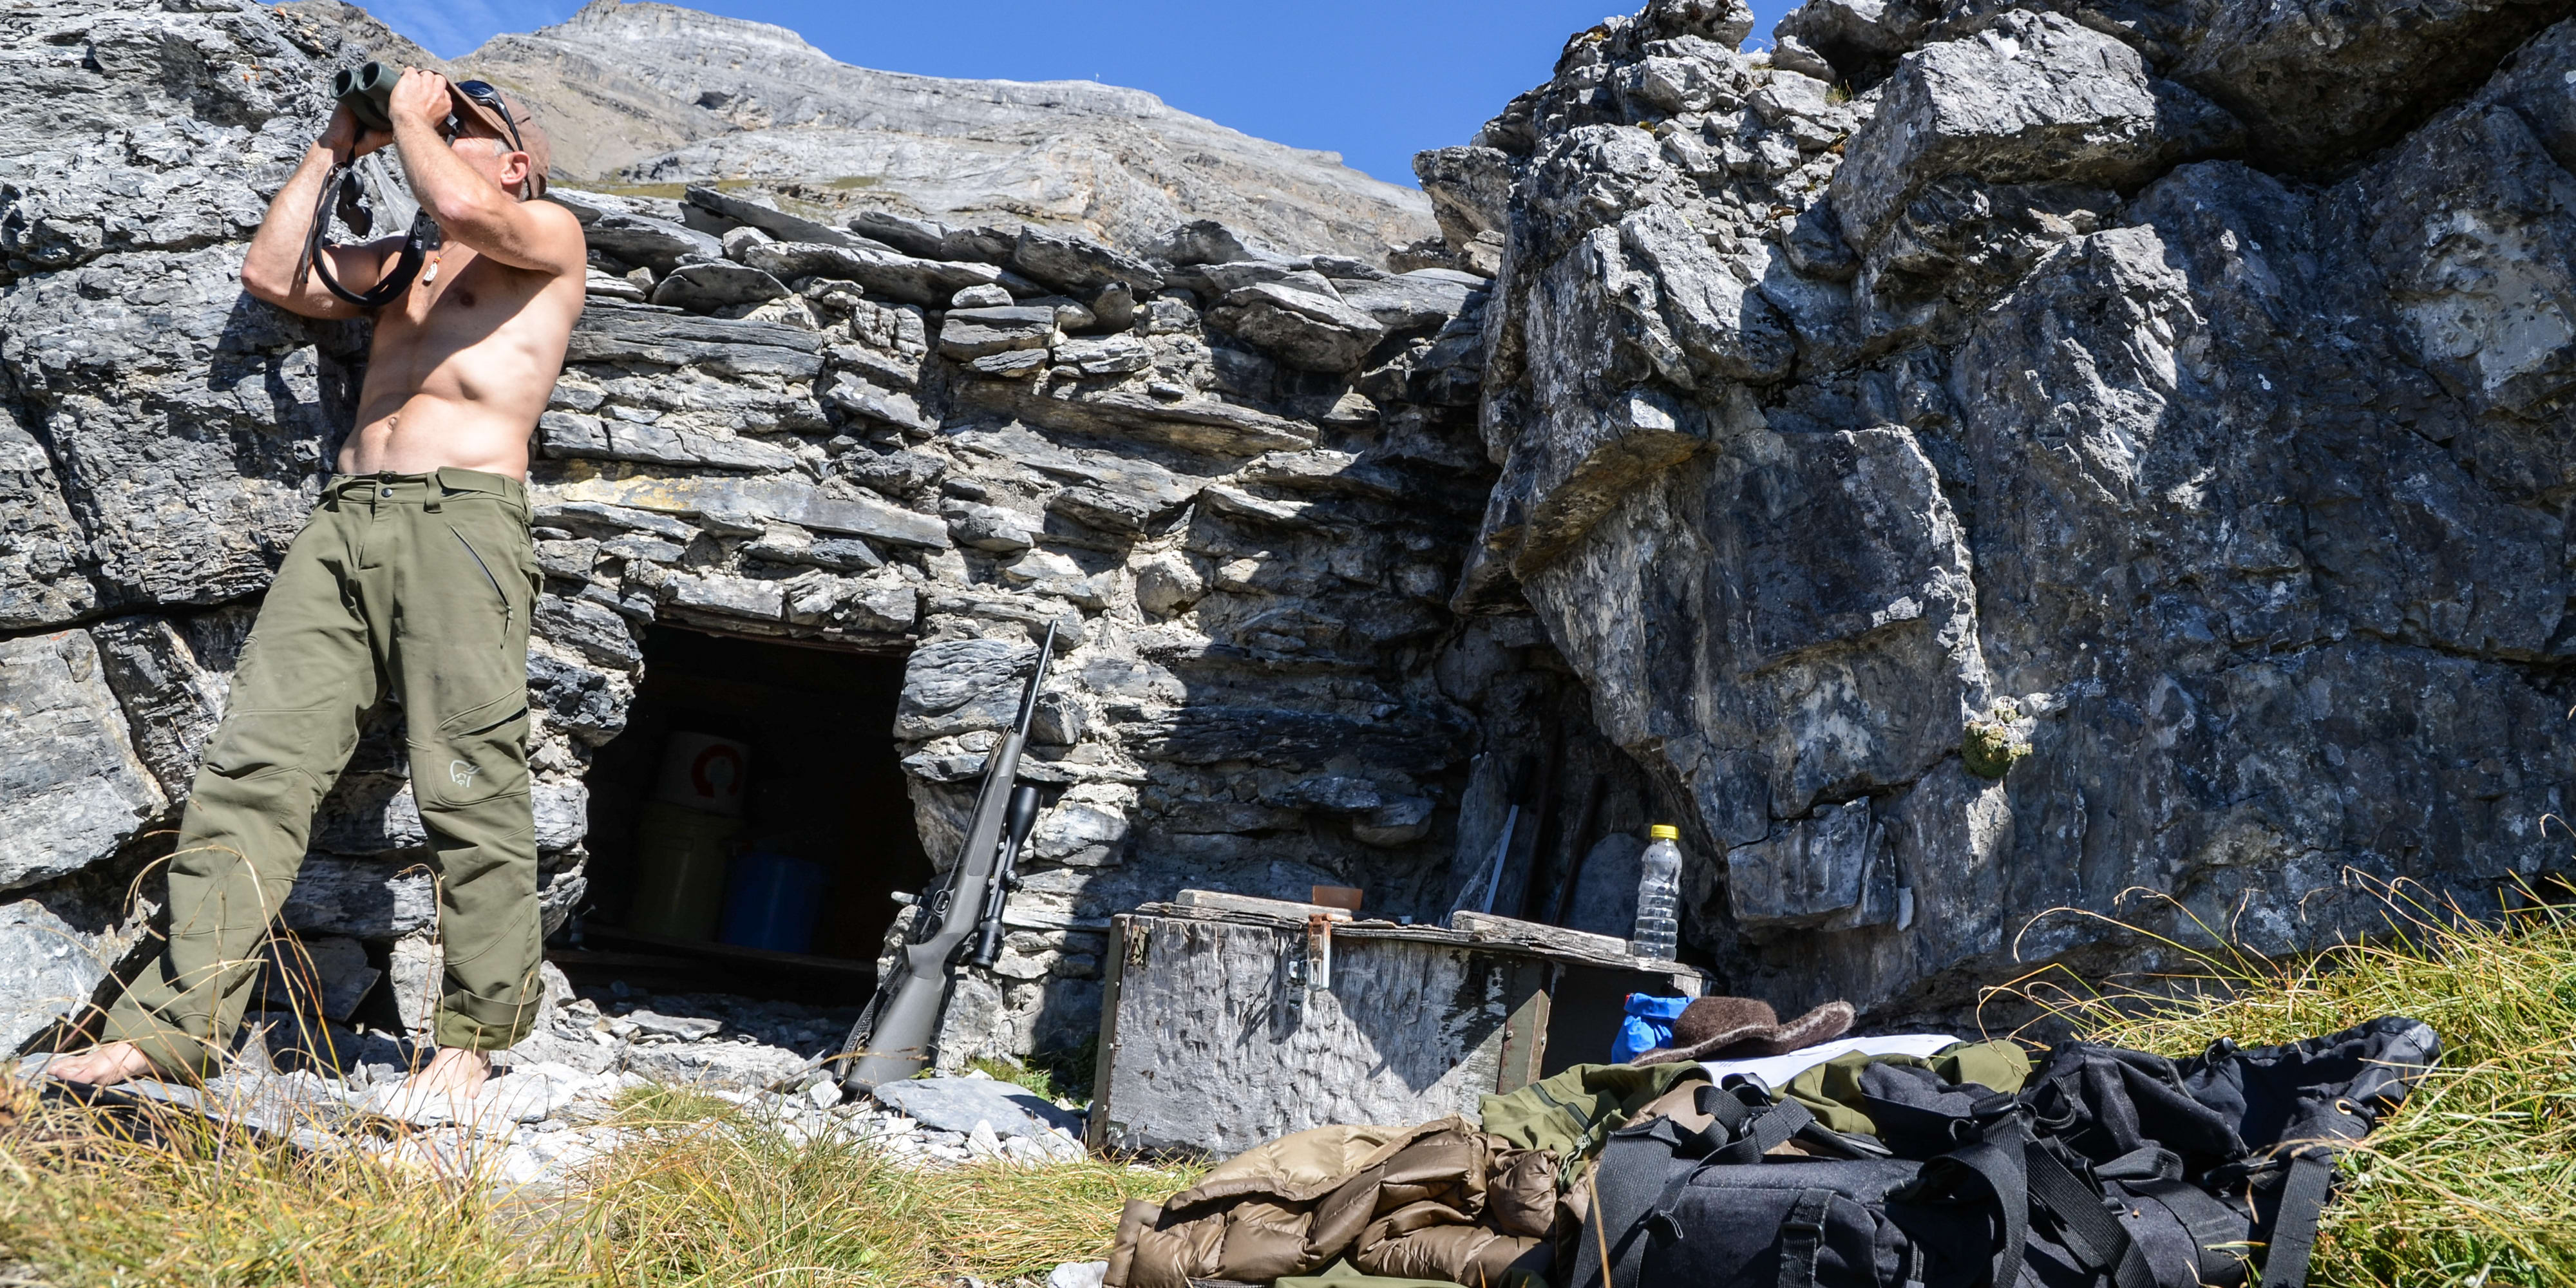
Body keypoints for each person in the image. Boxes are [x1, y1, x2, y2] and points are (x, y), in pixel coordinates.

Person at [46, 68, 587, 1098]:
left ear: (516, 163)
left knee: (469, 778)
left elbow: (465, 201)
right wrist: (340, 143)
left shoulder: (546, 235)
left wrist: (418, 124)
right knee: (255, 769)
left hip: (460, 524)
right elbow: (271, 272)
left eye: (465, 127)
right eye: (440, 121)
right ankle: (167, 1031)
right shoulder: (407, 265)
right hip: (346, 521)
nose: (435, 133)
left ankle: (470, 1042)